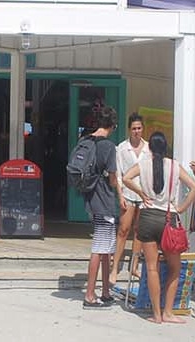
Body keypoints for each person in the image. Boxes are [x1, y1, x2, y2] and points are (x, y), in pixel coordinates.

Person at [123, 132, 195, 325]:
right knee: (174, 268)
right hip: (168, 218)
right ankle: (168, 312)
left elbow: (126, 178)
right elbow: (194, 188)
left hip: (147, 217)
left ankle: (156, 314)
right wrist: (181, 208)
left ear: (149, 148)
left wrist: (140, 192)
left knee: (151, 268)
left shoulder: (143, 164)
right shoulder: (174, 165)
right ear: (166, 148)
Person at [79, 106, 121, 308]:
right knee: (99, 248)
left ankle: (105, 291)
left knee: (107, 248)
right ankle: (89, 295)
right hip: (104, 200)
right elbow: (113, 178)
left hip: (90, 198)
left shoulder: (85, 140)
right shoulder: (109, 146)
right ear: (113, 125)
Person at [114, 114, 151, 284]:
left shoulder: (148, 149)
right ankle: (114, 267)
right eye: (134, 128)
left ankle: (134, 266)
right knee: (123, 229)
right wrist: (120, 194)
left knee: (139, 232)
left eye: (139, 128)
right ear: (129, 129)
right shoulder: (121, 148)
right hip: (128, 195)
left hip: (143, 196)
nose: (137, 131)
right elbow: (119, 175)